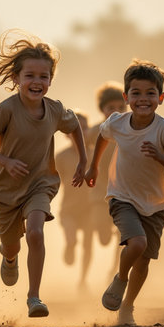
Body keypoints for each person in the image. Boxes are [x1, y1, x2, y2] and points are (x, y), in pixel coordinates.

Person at [0, 29, 87, 318]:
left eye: (44, 76)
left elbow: (74, 126)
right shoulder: (7, 110)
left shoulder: (55, 110)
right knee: (12, 245)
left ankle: (34, 297)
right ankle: (9, 257)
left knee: (36, 232)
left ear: (50, 80)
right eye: (30, 76)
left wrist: (83, 161)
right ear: (16, 79)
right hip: (5, 190)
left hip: (41, 183)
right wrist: (6, 162)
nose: (37, 82)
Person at [85, 59, 164, 325]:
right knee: (137, 243)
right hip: (121, 197)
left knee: (143, 262)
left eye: (150, 93)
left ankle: (127, 307)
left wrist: (159, 156)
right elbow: (102, 136)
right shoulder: (117, 122)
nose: (143, 99)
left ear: (161, 97)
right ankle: (120, 278)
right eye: (136, 93)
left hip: (156, 204)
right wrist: (94, 167)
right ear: (126, 96)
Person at [86, 81, 126, 283]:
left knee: (123, 236)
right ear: (102, 109)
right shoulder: (95, 131)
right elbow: (81, 149)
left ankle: (115, 268)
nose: (116, 112)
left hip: (124, 191)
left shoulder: (130, 129)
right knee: (102, 235)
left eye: (121, 107)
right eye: (111, 108)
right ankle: (105, 227)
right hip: (99, 189)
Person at [55, 110, 93, 290]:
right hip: (69, 208)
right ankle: (70, 246)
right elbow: (55, 181)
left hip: (90, 207)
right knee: (73, 239)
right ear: (68, 135)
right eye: (77, 129)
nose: (81, 132)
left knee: (88, 244)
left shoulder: (95, 154)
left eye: (85, 128)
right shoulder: (61, 157)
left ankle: (83, 280)